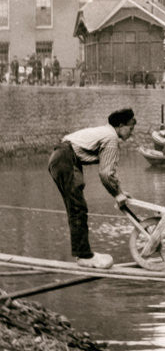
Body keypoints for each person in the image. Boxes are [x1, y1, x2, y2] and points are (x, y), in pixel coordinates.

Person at [48, 107, 137, 269]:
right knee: (77, 208)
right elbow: (106, 174)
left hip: (62, 157)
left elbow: (108, 172)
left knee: (77, 207)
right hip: (65, 158)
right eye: (130, 128)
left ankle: (84, 253)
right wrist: (117, 195)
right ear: (121, 125)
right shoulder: (111, 138)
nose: (132, 133)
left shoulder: (106, 132)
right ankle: (84, 256)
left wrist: (120, 192)